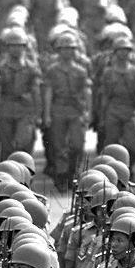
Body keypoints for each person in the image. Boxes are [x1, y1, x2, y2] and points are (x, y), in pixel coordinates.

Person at [43, 33, 92, 188]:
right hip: (58, 109)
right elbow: (48, 92)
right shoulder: (52, 70)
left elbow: (86, 92)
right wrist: (46, 113)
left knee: (77, 144)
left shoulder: (81, 70)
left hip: (76, 110)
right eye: (64, 49)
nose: (67, 52)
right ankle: (62, 175)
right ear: (59, 51)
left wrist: (88, 112)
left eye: (70, 49)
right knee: (59, 145)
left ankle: (74, 172)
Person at [0, 28, 42, 160]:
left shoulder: (31, 68)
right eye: (12, 46)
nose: (16, 49)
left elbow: (36, 91)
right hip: (5, 109)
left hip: (25, 110)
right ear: (7, 48)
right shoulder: (0, 68)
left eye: (19, 46)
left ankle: (24, 173)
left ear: (24, 47)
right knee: (6, 148)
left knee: (23, 143)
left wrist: (38, 113)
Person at [99, 37, 135, 171]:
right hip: (112, 110)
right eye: (120, 50)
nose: (123, 53)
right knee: (111, 144)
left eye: (126, 50)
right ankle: (113, 170)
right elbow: (104, 96)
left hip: (130, 110)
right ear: (115, 52)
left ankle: (128, 169)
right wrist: (102, 116)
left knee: (131, 145)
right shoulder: (108, 73)